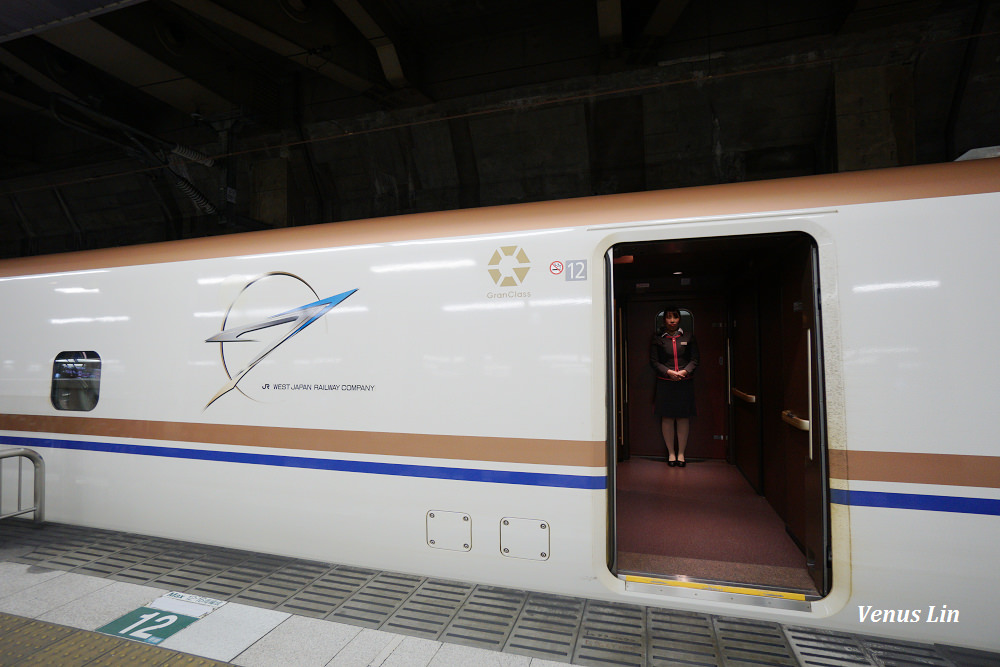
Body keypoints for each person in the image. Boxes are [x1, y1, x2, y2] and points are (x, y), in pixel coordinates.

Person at [650, 307, 699, 467]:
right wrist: (669, 372)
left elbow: (695, 359)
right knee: (667, 417)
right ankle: (671, 453)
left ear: (680, 319)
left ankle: (681, 454)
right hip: (665, 382)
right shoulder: (658, 338)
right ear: (664, 320)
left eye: (675, 317)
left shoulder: (688, 336)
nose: (672, 321)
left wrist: (684, 372)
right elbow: (654, 361)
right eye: (669, 317)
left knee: (683, 417)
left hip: (684, 382)